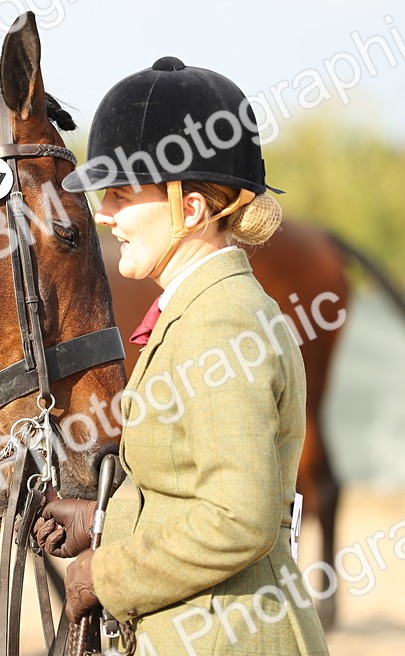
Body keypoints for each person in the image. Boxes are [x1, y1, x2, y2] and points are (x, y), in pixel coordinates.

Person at [33, 57, 329, 654]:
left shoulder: (219, 323)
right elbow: (187, 492)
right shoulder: (200, 310)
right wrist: (100, 523)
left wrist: (105, 574)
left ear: (189, 209)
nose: (104, 214)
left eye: (120, 194)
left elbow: (238, 518)